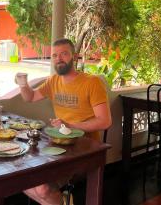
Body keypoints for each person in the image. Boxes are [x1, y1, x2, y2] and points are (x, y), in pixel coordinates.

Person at [15, 38, 112, 205]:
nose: (58, 58)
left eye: (64, 54)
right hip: (58, 145)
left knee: (42, 189)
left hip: (85, 148)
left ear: (73, 56)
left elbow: (105, 121)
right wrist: (23, 84)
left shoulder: (91, 82)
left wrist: (71, 126)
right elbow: (30, 97)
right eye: (54, 55)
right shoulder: (54, 81)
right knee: (19, 175)